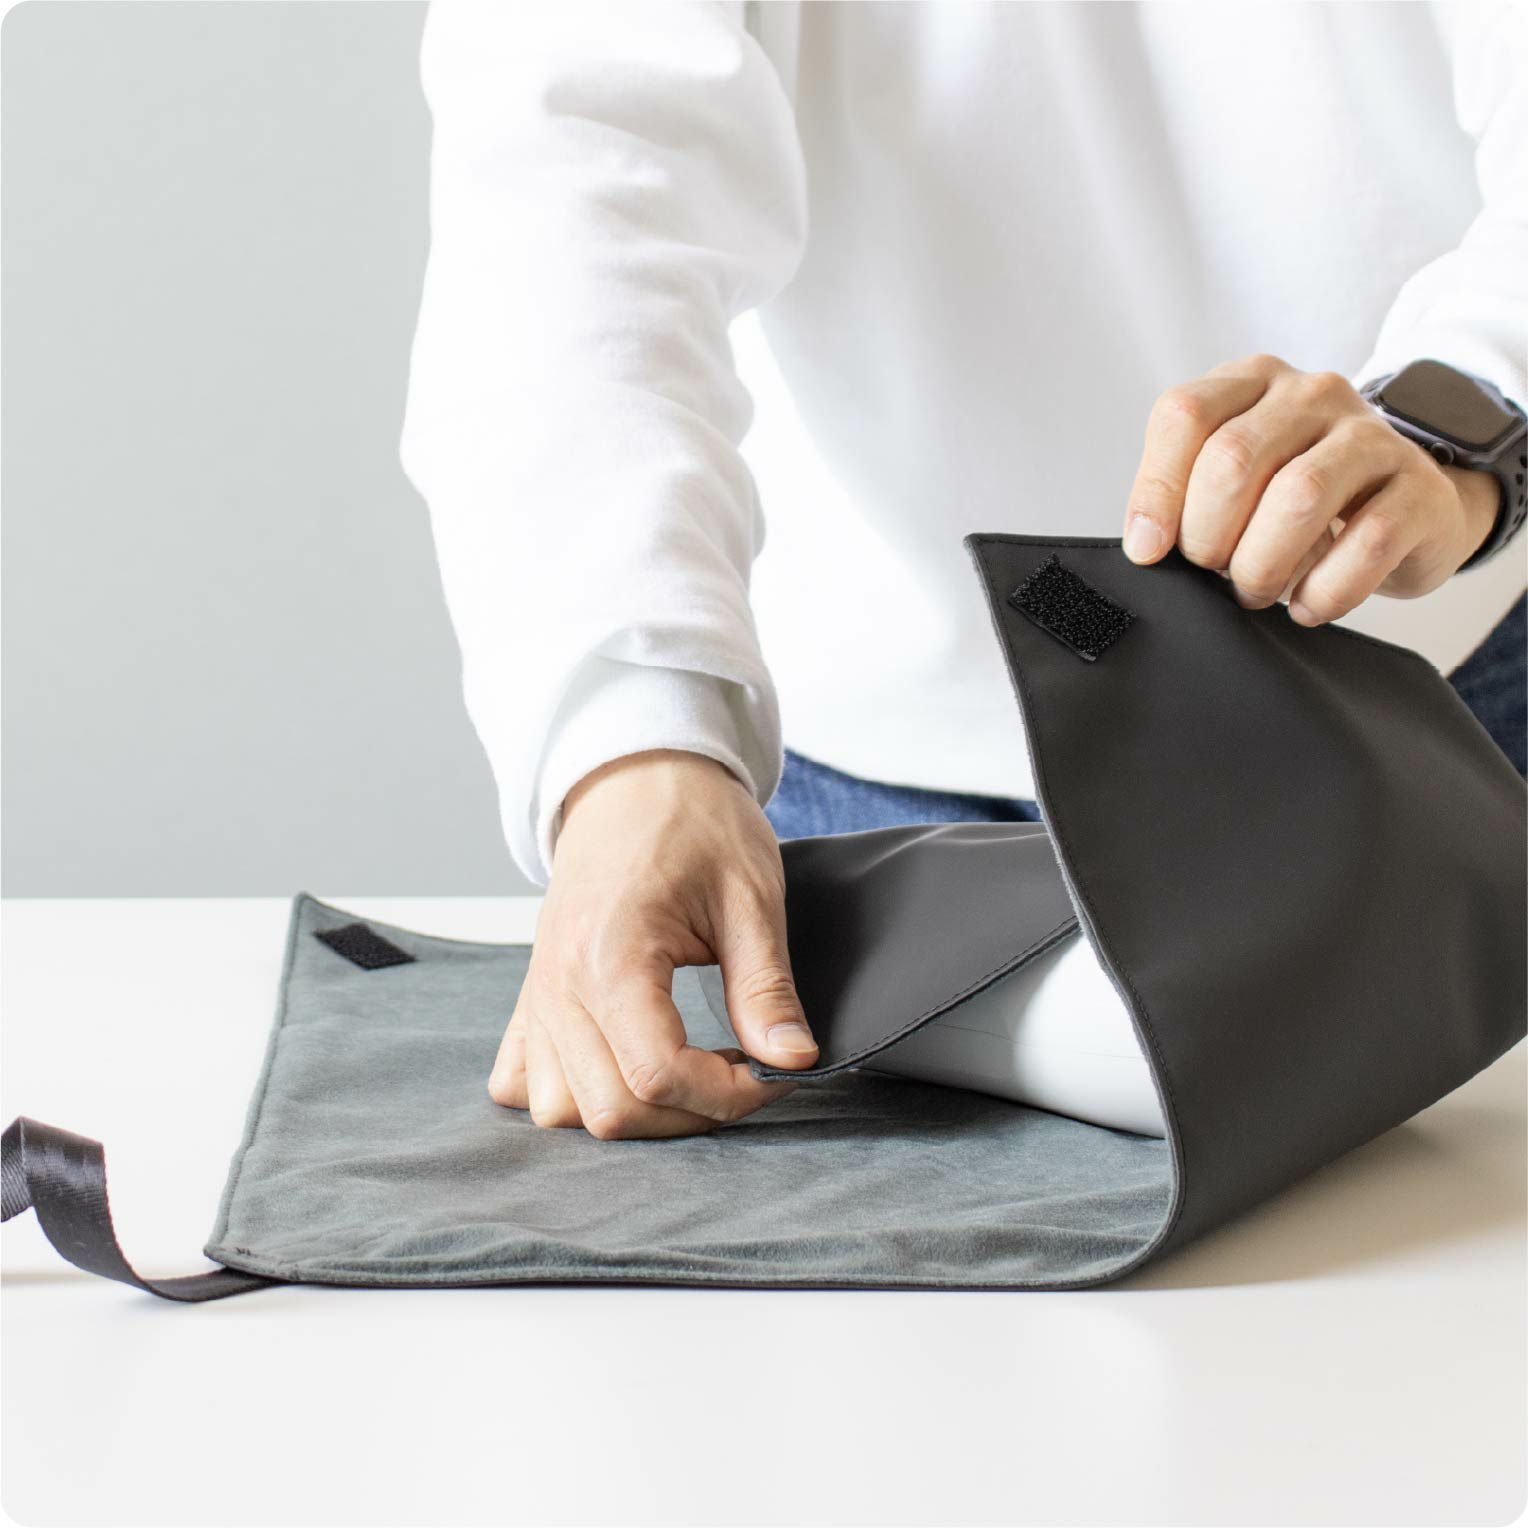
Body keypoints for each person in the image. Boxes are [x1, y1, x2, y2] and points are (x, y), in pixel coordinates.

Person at [400, 1, 1527, 1140]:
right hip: (845, 785)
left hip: (1426, 692)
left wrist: (1464, 414)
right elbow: (569, 190)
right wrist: (629, 744)